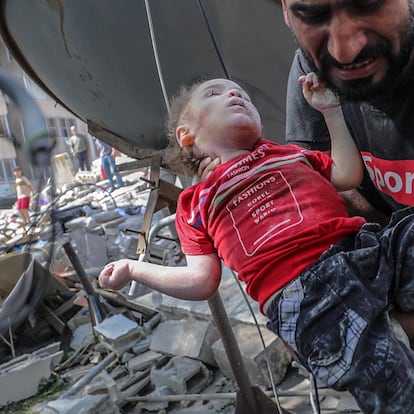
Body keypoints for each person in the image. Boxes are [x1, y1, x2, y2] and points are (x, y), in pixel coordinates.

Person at [99, 75, 414, 413]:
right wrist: (134, 268)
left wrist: (332, 112)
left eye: (242, 94)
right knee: (394, 385)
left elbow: (347, 175)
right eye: (214, 93)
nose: (235, 93)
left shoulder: (287, 153)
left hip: (367, 251)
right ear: (186, 135)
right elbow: (201, 280)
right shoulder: (197, 201)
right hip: (309, 299)